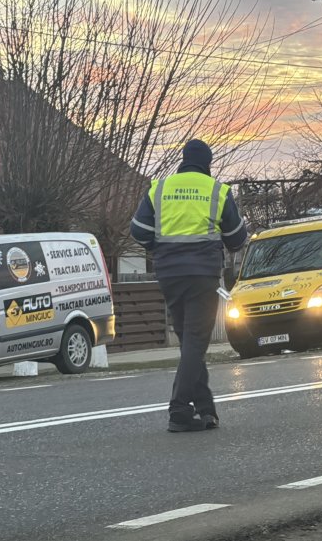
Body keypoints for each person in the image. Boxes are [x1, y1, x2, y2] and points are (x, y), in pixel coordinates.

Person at [131, 139, 247, 432]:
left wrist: (159, 247)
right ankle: (179, 410)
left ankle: (206, 411)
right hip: (203, 278)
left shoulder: (160, 188)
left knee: (190, 345)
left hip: (169, 275)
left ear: (183, 160)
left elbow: (139, 232)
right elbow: (236, 238)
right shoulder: (216, 191)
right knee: (195, 342)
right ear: (207, 163)